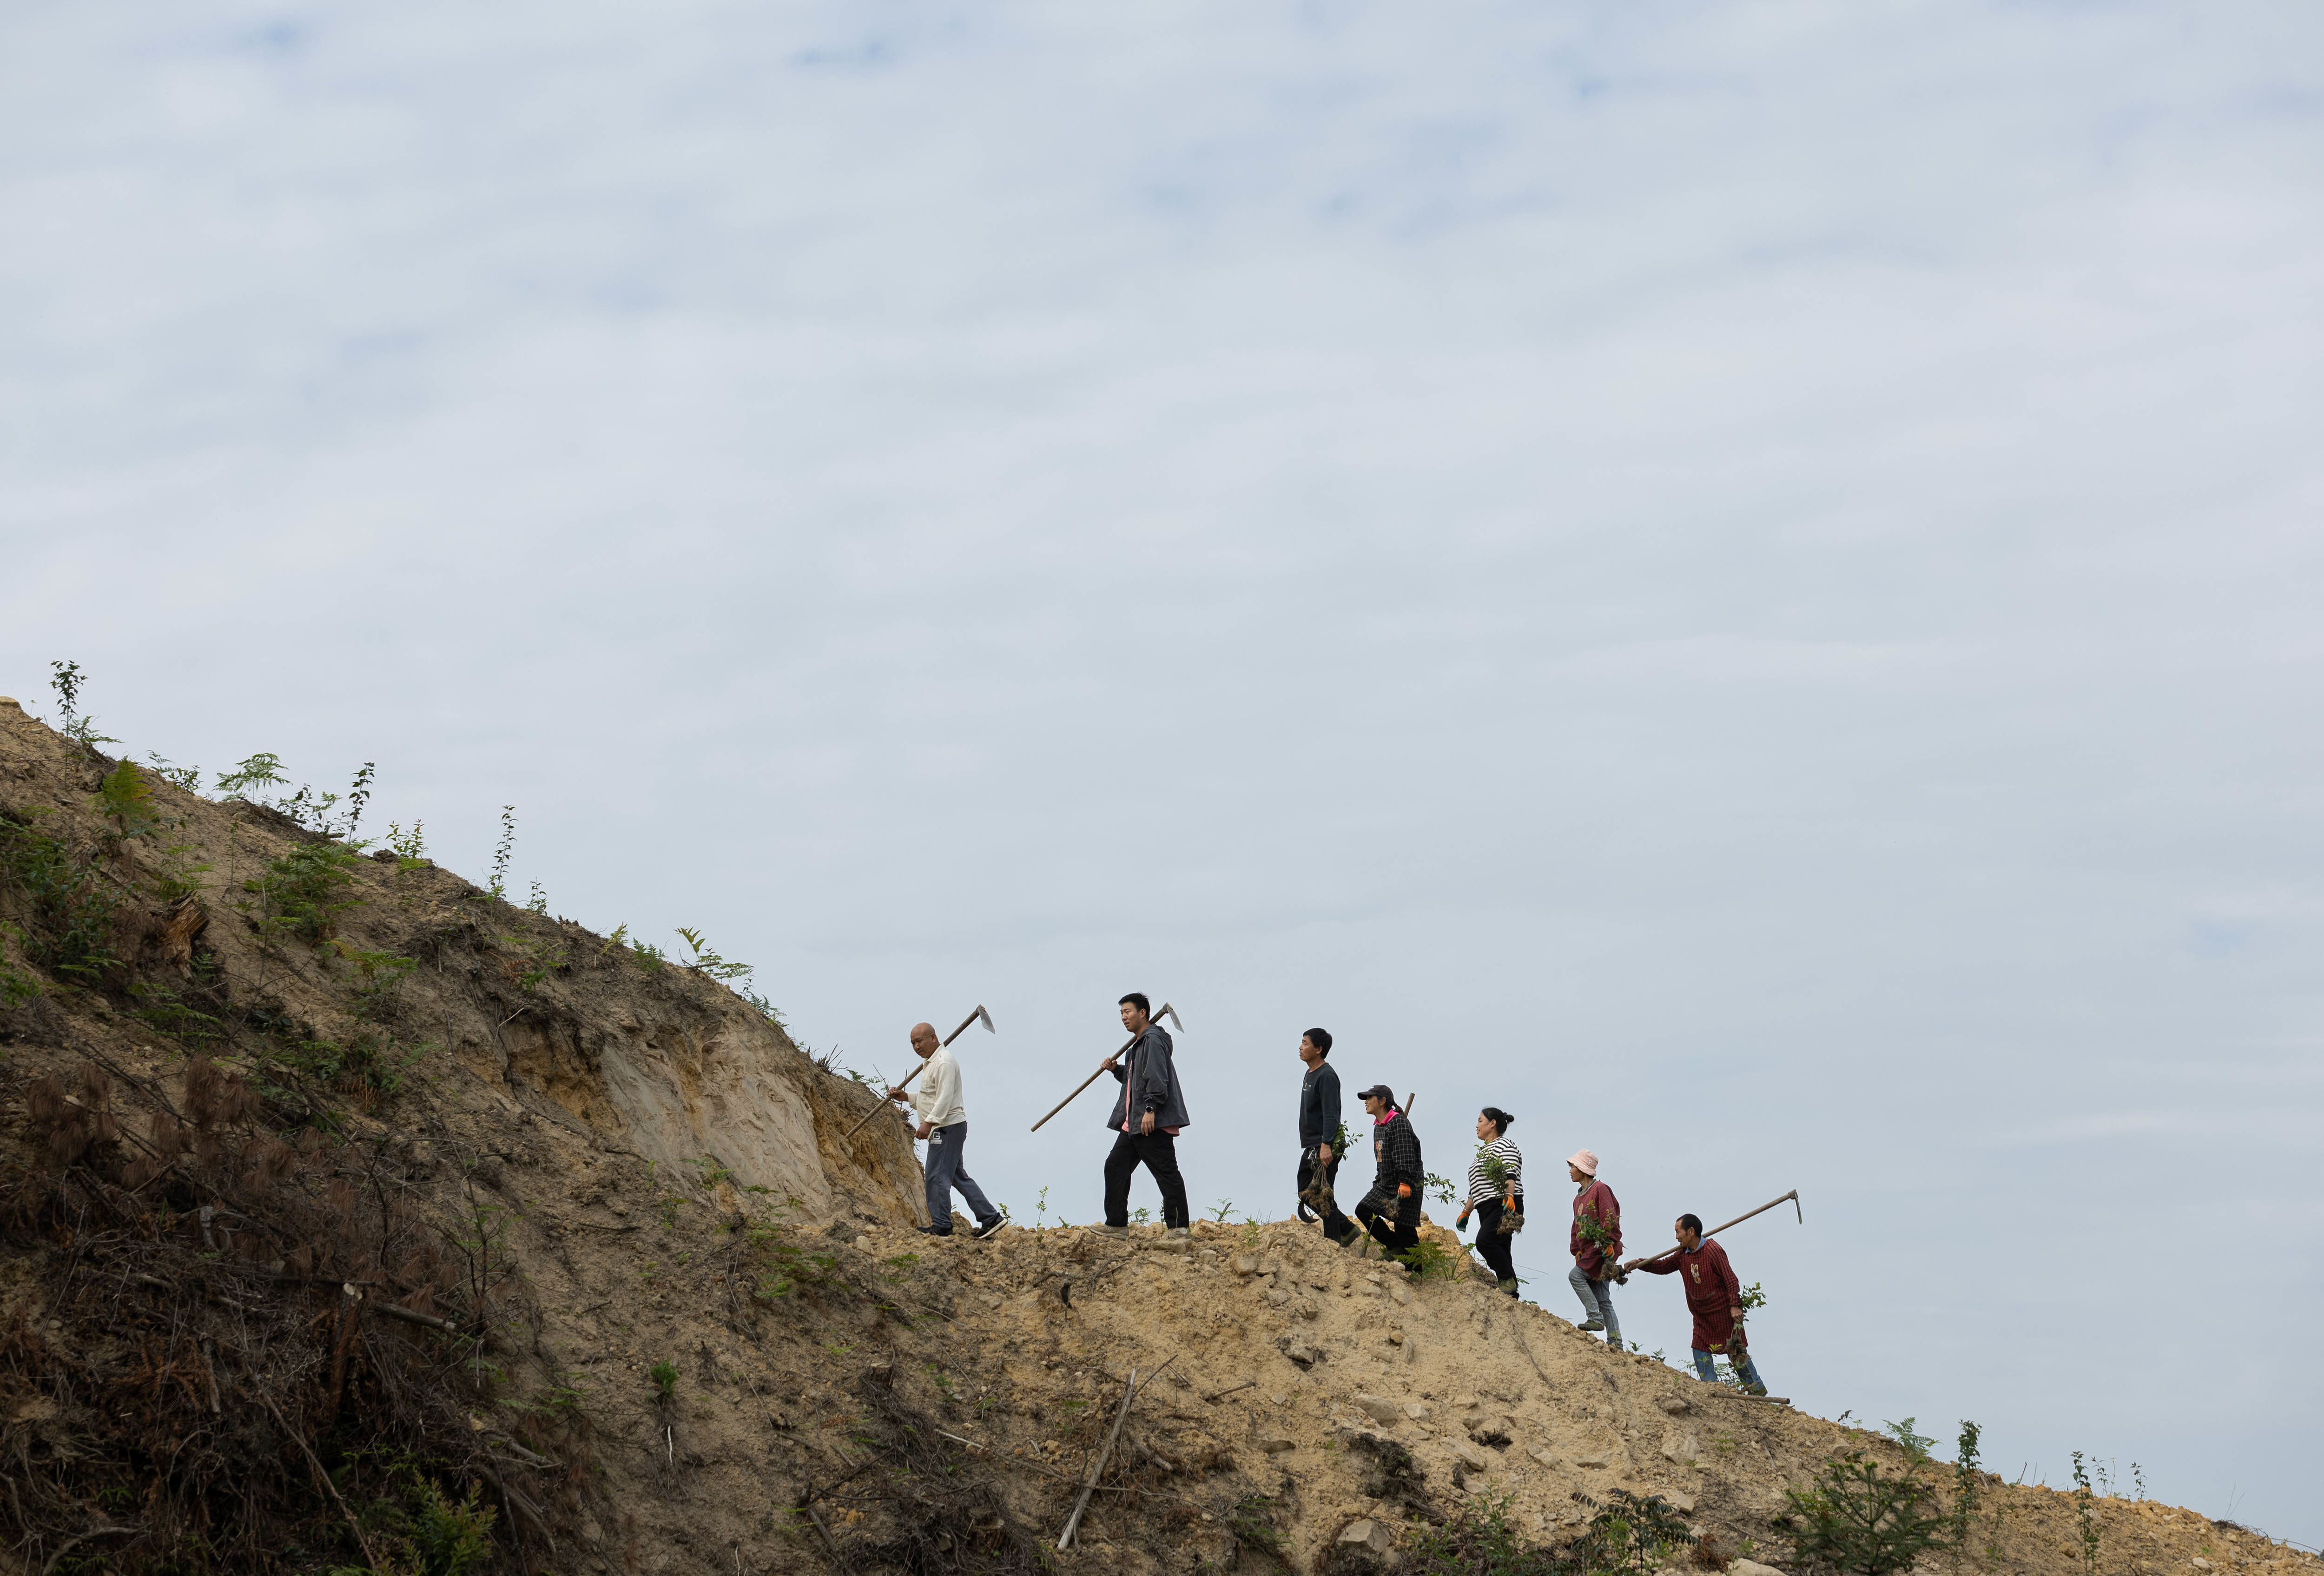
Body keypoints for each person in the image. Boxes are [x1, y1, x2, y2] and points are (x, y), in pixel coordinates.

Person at [1623, 1215, 1769, 1395]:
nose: (1676, 1237)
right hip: (1701, 1316)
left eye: (1678, 1232)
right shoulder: (1681, 1255)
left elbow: (1731, 1279)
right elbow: (1662, 1267)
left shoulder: (1713, 1250)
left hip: (1723, 1313)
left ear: (1691, 1232)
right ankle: (1712, 1389)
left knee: (1735, 1350)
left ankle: (1757, 1389)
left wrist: (1735, 1305)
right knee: (1699, 1348)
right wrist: (1639, 1264)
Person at [886, 1020, 1005, 1239]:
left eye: (919, 1041)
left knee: (936, 1176)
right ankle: (991, 1218)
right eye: (913, 1043)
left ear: (933, 1037)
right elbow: (930, 1097)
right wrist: (907, 1098)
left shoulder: (944, 1062)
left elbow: (945, 1098)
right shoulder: (931, 1064)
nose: (916, 1047)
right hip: (947, 1125)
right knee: (956, 1176)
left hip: (947, 1127)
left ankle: (942, 1225)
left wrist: (929, 1123)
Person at [1099, 993, 1191, 1236]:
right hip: (1133, 1123)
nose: (1123, 1017)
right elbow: (1133, 1081)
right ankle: (1117, 1225)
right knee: (1115, 1167)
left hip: (1150, 1122)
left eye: (1127, 1012)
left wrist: (1151, 1109)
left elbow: (1157, 1079)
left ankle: (1179, 1229)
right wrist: (1115, 1069)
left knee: (1166, 1173)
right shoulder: (1137, 1046)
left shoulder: (1152, 1041)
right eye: (1121, 1013)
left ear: (1143, 1013)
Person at [1454, 1107, 1522, 1297]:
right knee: (1501, 1248)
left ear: (1493, 1124)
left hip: (1503, 1203)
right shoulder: (1483, 1152)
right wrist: (1466, 1212)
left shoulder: (1505, 1145)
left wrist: (1509, 1196)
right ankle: (1512, 1295)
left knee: (1484, 1242)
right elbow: (1476, 1187)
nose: (1477, 1126)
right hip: (1485, 1206)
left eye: (1480, 1121)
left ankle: (1506, 1278)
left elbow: (1510, 1172)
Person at [1350, 1085, 1422, 1261]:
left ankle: (1416, 1272)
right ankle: (1394, 1246)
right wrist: (1378, 1181)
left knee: (1405, 1228)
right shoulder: (1378, 1127)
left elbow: (1405, 1153)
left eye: (1370, 1098)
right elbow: (1381, 1159)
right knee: (1364, 1209)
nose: (1366, 1102)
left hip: (1405, 1183)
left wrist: (1405, 1182)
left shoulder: (1398, 1122)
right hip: (1386, 1183)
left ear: (1382, 1101)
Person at [1295, 1028, 1353, 1243]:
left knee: (1321, 1193)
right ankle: (1345, 1230)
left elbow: (1331, 1114)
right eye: (1301, 1042)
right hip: (1313, 1144)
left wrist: (1326, 1144)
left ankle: (1336, 1240)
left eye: (1305, 1043)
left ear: (1318, 1050)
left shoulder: (1327, 1076)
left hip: (1324, 1144)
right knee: (1307, 1189)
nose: (1301, 1047)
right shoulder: (1311, 1073)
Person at [1565, 1149, 1623, 1346]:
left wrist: (1609, 1242)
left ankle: (1595, 1318)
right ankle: (1616, 1341)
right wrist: (1576, 1250)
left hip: (1600, 1248)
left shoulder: (1600, 1189)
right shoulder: (1578, 1198)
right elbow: (1576, 1227)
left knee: (1576, 1276)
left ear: (1583, 1169)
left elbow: (1610, 1216)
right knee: (1603, 1298)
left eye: (1573, 1166)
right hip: (1589, 1252)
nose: (1571, 1170)